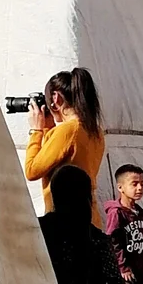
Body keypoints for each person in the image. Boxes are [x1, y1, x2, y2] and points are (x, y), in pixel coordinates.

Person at [24, 67, 108, 226]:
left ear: (56, 98)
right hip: (89, 218)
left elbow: (32, 170)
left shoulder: (68, 130)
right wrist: (48, 129)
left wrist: (36, 131)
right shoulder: (95, 130)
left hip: (66, 223)